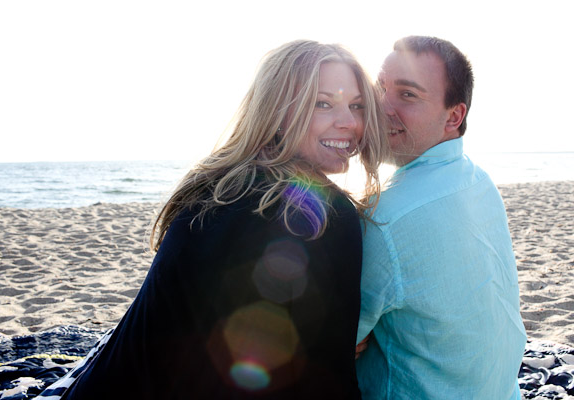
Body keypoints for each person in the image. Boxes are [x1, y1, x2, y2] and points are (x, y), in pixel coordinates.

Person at [52, 40, 386, 399]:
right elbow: (328, 382)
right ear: (279, 110)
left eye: (357, 106)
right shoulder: (327, 217)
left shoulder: (212, 183)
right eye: (323, 104)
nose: (350, 123)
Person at [355, 36, 526, 399]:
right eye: (380, 87)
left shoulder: (384, 217)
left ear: (454, 117)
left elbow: (336, 340)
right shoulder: (478, 180)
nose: (379, 106)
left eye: (407, 94)